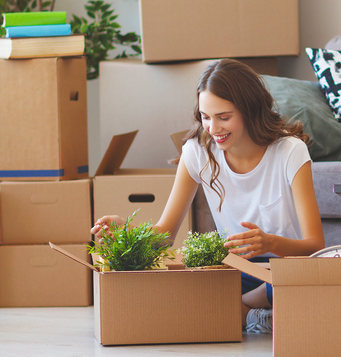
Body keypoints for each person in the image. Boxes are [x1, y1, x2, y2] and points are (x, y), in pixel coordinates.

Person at [92, 59, 325, 333]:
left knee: (304, 281)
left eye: (224, 117)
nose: (213, 128)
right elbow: (165, 234)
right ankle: (252, 313)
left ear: (250, 110)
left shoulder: (289, 152)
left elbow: (315, 245)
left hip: (286, 270)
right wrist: (125, 228)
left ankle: (245, 307)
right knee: (188, 290)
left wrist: (270, 242)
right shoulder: (197, 152)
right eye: (205, 116)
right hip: (239, 271)